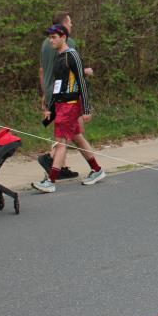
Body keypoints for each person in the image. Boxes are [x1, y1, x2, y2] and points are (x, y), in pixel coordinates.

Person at [32, 24, 105, 193]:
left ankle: (50, 181)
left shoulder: (72, 56)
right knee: (77, 138)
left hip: (70, 106)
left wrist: (86, 109)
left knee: (60, 142)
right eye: (49, 37)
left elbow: (82, 83)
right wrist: (50, 107)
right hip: (61, 105)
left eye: (54, 37)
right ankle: (97, 170)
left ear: (63, 37)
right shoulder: (58, 57)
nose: (50, 40)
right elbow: (58, 85)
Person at [37, 11, 92, 180]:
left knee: (71, 133)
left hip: (51, 91)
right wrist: (86, 71)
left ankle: (60, 166)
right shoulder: (67, 42)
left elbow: (42, 70)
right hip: (65, 95)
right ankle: (52, 159)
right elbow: (73, 71)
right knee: (70, 134)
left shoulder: (45, 44)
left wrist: (44, 93)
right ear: (63, 27)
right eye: (69, 22)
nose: (71, 25)